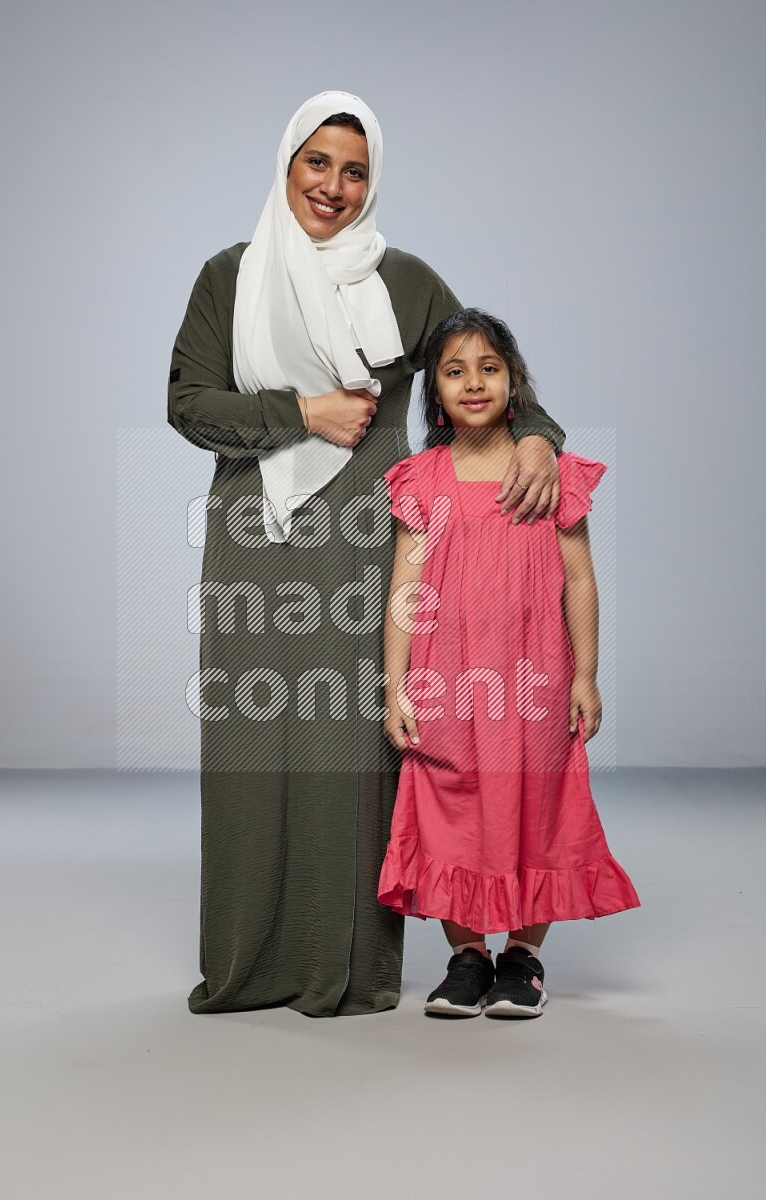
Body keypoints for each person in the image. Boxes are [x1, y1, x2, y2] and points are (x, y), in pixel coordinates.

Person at [168, 93, 566, 1018]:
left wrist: (538, 435)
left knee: (356, 749)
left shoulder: (407, 279)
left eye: (355, 170)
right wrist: (299, 413)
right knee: (251, 742)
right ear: (287, 164)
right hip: (257, 537)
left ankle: (344, 965)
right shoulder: (229, 277)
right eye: (318, 163)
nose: (334, 187)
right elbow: (187, 402)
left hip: (373, 545)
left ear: (371, 180)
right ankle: (247, 961)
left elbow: (483, 368)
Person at [379, 308, 640, 1018]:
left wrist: (585, 674)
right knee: (448, 810)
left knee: (540, 806)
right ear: (434, 393)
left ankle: (523, 959)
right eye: (454, 371)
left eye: (488, 368)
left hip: (534, 680)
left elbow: (580, 578)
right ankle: (467, 956)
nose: (472, 383)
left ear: (514, 383)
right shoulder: (421, 478)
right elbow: (405, 585)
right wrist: (395, 683)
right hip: (447, 682)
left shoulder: (549, 472)